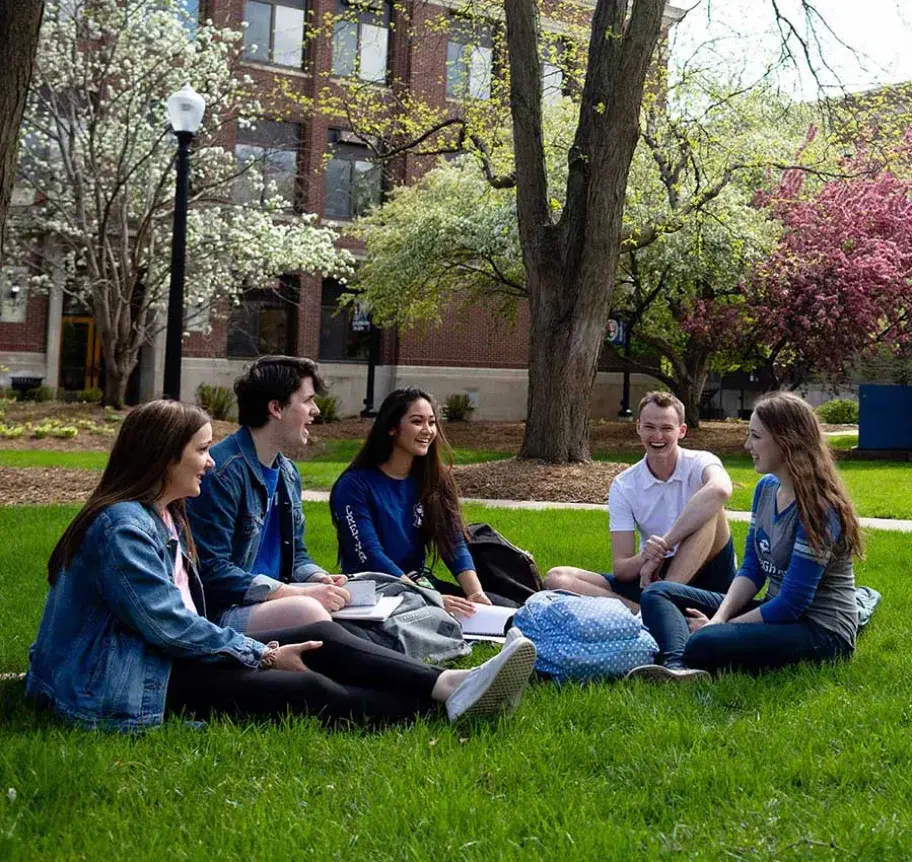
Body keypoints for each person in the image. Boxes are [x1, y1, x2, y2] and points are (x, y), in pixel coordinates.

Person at [25, 400, 538, 731]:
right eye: (201, 451)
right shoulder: (123, 527)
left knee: (326, 641)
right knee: (306, 686)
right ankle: (447, 707)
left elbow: (184, 617)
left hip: (172, 652)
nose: (210, 461)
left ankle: (450, 684)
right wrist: (262, 655)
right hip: (130, 676)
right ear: (162, 457)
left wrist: (263, 642)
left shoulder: (165, 515)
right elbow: (170, 626)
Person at [628, 391, 861, 682]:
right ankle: (679, 668)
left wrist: (719, 629)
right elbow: (752, 568)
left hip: (821, 631)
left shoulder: (821, 508)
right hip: (775, 612)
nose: (747, 445)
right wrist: (719, 619)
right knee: (657, 592)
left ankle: (684, 657)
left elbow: (792, 604)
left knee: (706, 641)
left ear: (786, 440)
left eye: (756, 436)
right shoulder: (766, 489)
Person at [187, 356, 351, 636]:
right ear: (276, 408)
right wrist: (292, 594)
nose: (316, 410)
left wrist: (316, 578)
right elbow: (211, 571)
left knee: (351, 615)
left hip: (276, 601)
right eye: (308, 400)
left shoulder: (287, 472)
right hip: (225, 611)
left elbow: (296, 552)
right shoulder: (222, 472)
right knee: (311, 614)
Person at [330, 387, 517, 615]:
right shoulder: (353, 485)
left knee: (507, 611)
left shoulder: (434, 479)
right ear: (391, 428)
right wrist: (432, 599)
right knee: (438, 619)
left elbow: (453, 542)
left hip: (419, 584)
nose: (427, 430)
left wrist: (475, 594)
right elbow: (370, 555)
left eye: (432, 422)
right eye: (417, 422)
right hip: (377, 590)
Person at [545, 391, 736, 610]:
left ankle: (662, 604)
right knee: (557, 578)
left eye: (666, 428)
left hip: (709, 577)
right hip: (653, 576)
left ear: (681, 431)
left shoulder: (701, 462)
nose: (657, 436)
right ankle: (646, 614)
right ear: (638, 428)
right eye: (649, 427)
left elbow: (721, 490)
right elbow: (622, 569)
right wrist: (647, 556)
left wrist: (664, 544)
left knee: (711, 510)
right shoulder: (624, 485)